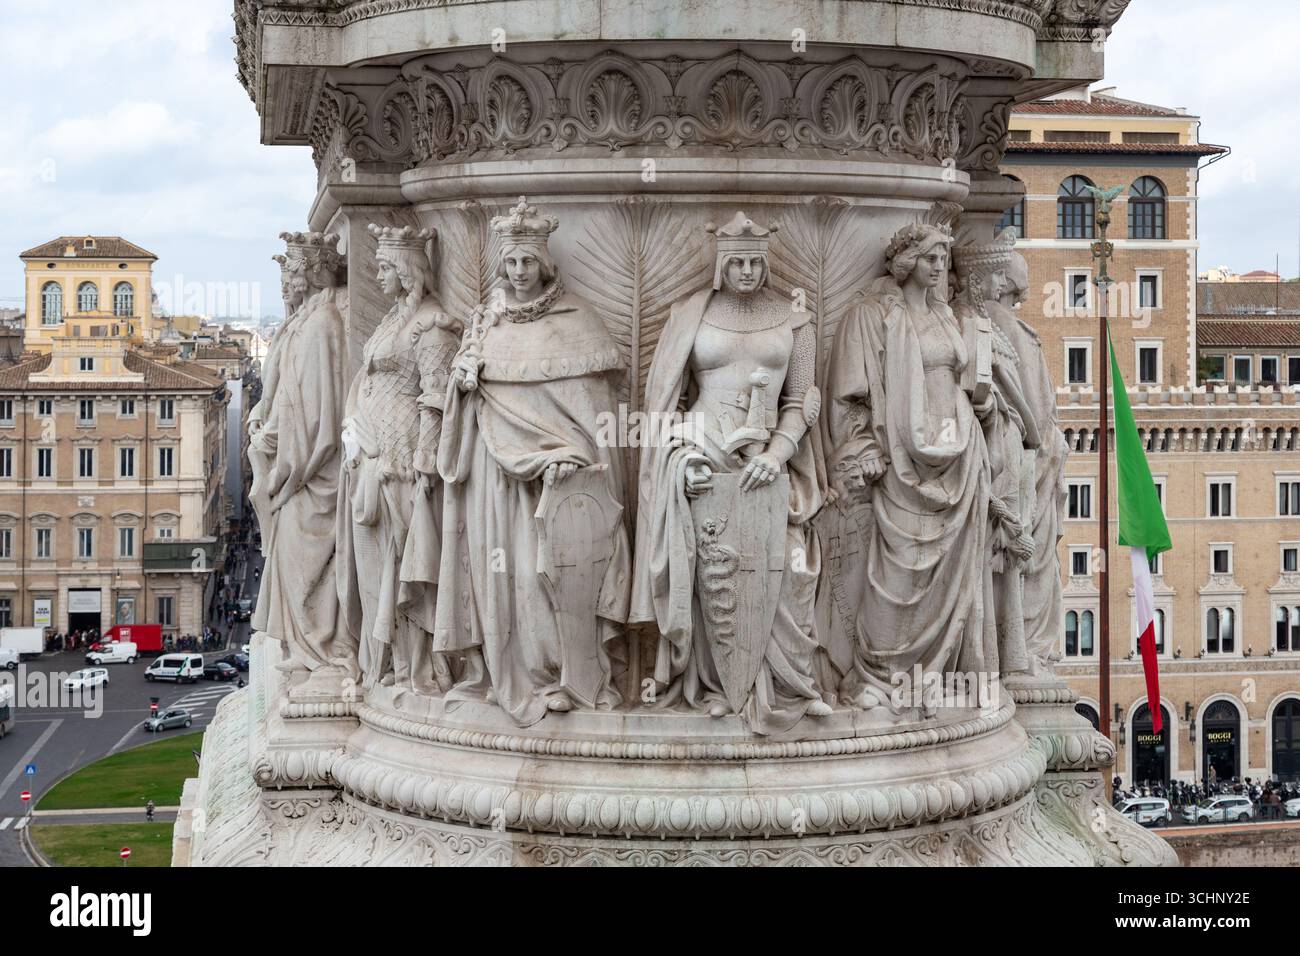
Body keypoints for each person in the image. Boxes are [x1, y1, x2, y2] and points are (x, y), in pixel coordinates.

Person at [632, 212, 832, 734]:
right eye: (736, 262)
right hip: (703, 446)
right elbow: (668, 400)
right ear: (721, 264)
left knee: (786, 569)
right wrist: (679, 461)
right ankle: (718, 683)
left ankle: (790, 682)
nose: (746, 271)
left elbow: (804, 398)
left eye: (754, 262)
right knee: (710, 569)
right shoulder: (691, 314)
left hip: (769, 456)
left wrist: (777, 453)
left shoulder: (794, 319)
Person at [434, 197, 631, 726]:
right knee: (507, 580)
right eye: (511, 262)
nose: (519, 273)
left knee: (547, 581)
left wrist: (575, 457)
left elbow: (591, 415)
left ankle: (564, 674)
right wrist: (463, 385)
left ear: (545, 265)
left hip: (556, 490)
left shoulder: (577, 322)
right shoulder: (485, 324)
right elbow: (464, 409)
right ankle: (510, 671)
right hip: (496, 484)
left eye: (528, 262)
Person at [824, 222, 996, 713]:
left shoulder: (945, 315)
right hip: (902, 459)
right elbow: (849, 392)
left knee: (947, 574)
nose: (940, 265)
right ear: (905, 263)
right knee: (897, 573)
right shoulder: (874, 315)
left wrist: (982, 404)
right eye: (929, 257)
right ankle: (874, 672)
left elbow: (963, 376)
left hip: (958, 455)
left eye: (943, 257)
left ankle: (928, 673)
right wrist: (860, 447)